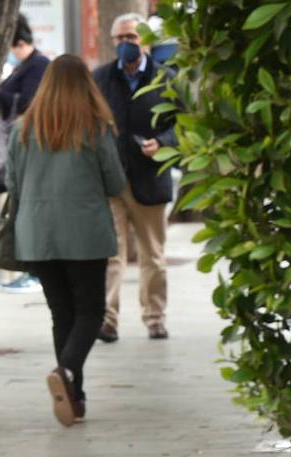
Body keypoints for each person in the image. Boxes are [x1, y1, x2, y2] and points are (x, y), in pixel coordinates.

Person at [6, 55, 127, 427]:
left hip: (37, 233)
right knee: (91, 311)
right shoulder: (96, 127)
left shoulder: (23, 128)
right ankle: (67, 371)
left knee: (62, 313)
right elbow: (115, 183)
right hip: (84, 232)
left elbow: (12, 184)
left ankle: (74, 397)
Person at [93, 12, 177, 342]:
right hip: (111, 181)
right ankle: (108, 320)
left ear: (145, 41)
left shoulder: (165, 79)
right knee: (111, 255)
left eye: (132, 37)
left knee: (153, 256)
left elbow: (183, 125)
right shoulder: (99, 78)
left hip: (150, 179)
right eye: (121, 39)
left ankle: (155, 317)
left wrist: (164, 143)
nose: (127, 44)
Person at [0, 13, 51, 294]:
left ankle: (36, 270)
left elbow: (28, 103)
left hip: (32, 149)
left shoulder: (38, 65)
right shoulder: (25, 66)